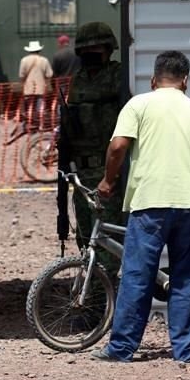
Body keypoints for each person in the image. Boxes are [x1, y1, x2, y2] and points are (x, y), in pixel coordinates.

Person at [90, 51, 190, 363]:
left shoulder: (139, 105)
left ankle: (122, 348)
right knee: (185, 277)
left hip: (150, 203)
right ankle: (186, 349)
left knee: (138, 275)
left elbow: (118, 146)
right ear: (185, 81)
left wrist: (107, 181)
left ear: (153, 79)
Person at [58, 21, 127, 272]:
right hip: (81, 172)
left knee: (106, 241)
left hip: (108, 170)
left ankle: (103, 293)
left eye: (96, 50)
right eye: (86, 50)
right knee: (86, 237)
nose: (90, 55)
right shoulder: (78, 79)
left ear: (108, 49)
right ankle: (95, 290)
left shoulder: (118, 75)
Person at [18, 40, 53, 133]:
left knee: (29, 107)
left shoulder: (24, 60)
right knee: (40, 108)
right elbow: (49, 74)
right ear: (39, 50)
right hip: (41, 88)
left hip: (28, 88)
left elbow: (21, 75)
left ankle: (29, 125)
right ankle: (40, 125)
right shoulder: (44, 60)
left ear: (29, 50)